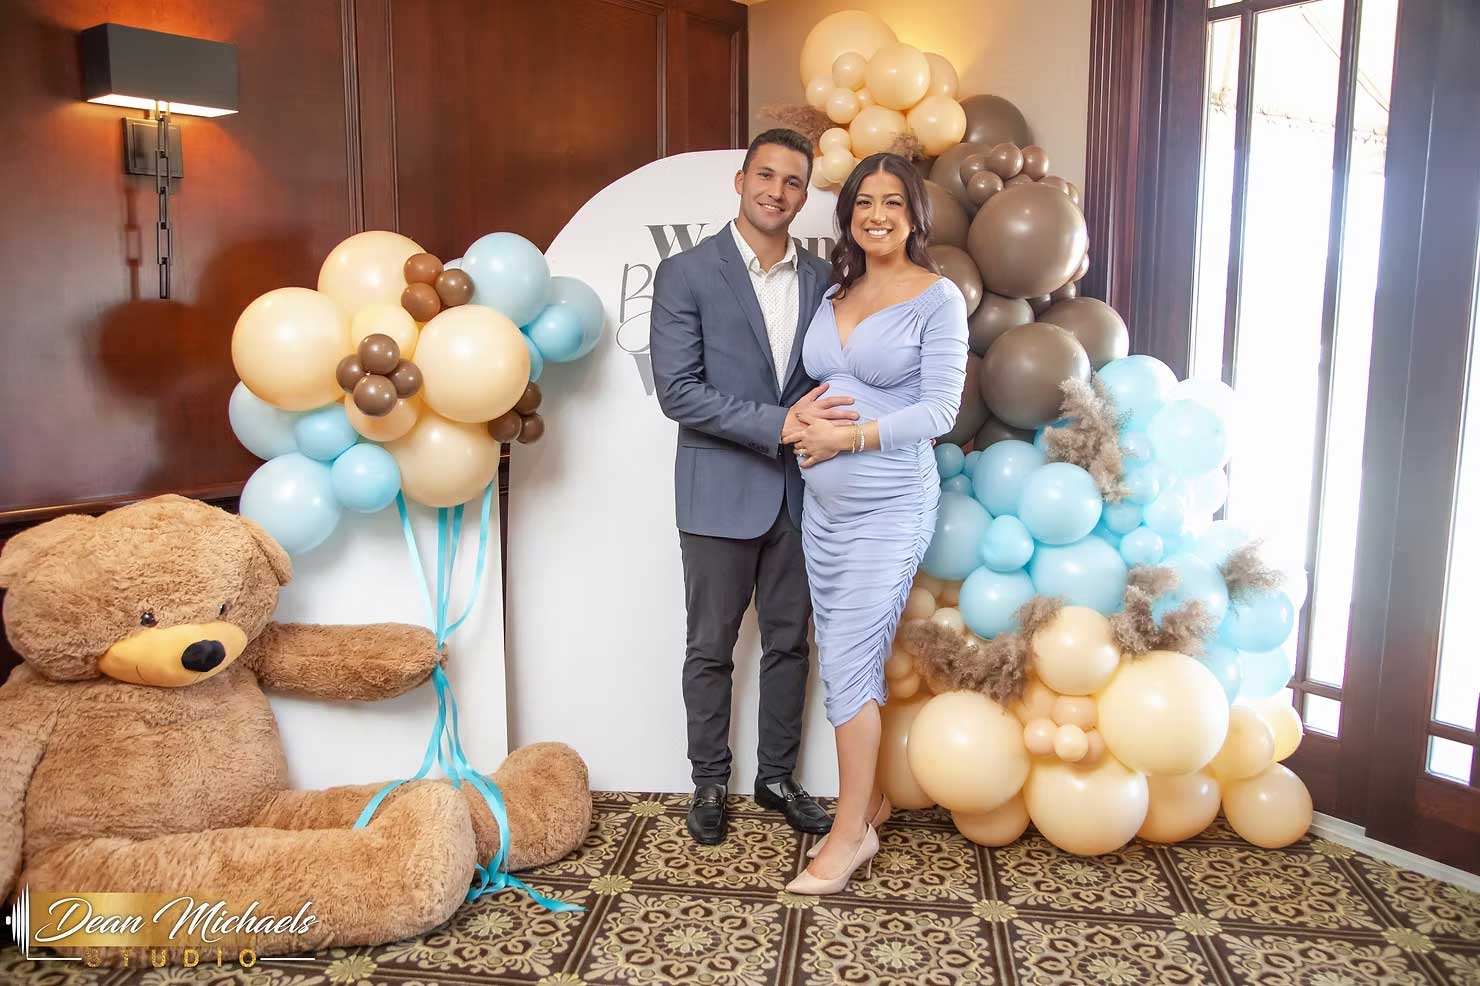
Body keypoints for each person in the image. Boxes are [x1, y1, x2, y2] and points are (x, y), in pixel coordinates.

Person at [649, 129, 859, 846]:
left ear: (806, 195)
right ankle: (708, 781)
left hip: (803, 493)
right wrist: (781, 424)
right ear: (739, 182)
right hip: (717, 492)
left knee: (791, 645)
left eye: (793, 181)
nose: (777, 191)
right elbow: (678, 393)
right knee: (709, 646)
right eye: (765, 176)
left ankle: (777, 779)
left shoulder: (823, 282)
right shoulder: (687, 273)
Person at [782, 153, 969, 894]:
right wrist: (802, 421)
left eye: (893, 201)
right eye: (865, 202)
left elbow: (940, 411)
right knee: (840, 656)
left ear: (914, 215)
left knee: (851, 665)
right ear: (849, 214)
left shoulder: (937, 298)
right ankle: (875, 799)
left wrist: (845, 440)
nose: (878, 214)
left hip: (892, 506)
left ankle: (850, 833)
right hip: (824, 511)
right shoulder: (838, 288)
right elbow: (822, 383)